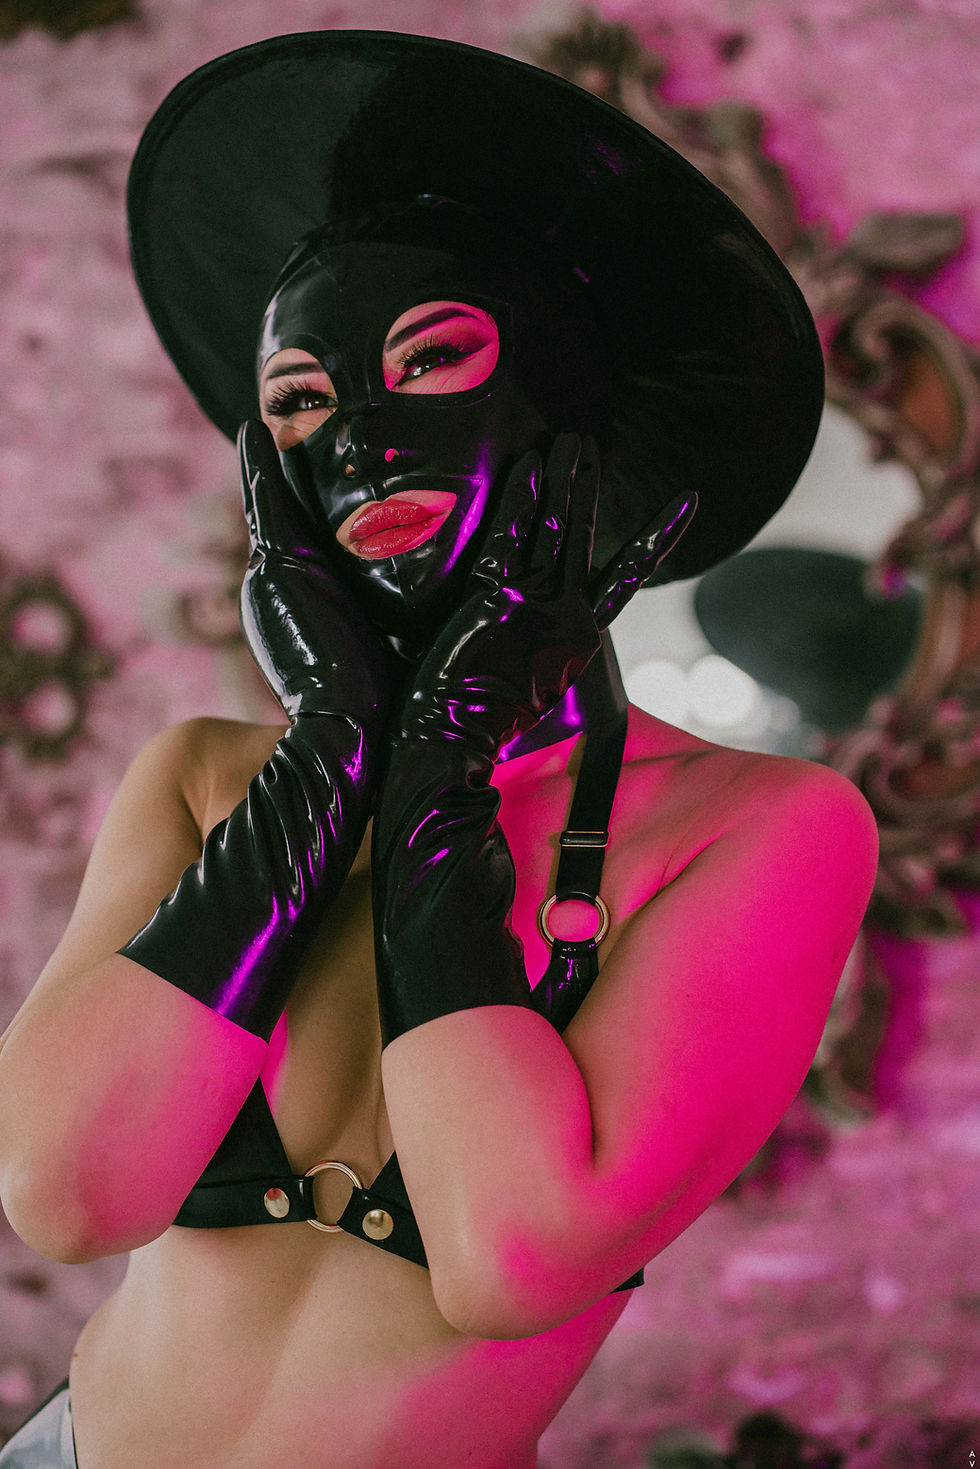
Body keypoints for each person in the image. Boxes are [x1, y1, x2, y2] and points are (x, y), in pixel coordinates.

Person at [0, 31, 878, 1469]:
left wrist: (441, 766)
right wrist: (333, 749)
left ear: (585, 437)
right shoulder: (203, 777)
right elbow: (70, 1195)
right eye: (300, 402)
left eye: (433, 358)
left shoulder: (765, 825)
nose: (357, 443)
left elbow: (513, 1257)